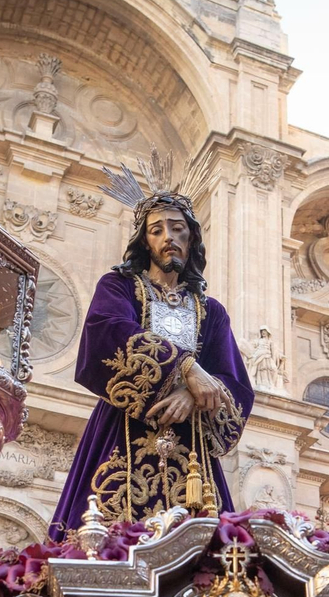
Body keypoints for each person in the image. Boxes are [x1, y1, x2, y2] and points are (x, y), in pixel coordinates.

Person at [49, 162, 253, 536]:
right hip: (123, 427)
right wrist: (187, 368)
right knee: (102, 533)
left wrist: (192, 397)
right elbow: (108, 331)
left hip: (192, 449)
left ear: (191, 239)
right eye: (157, 230)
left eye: (178, 229)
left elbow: (233, 380)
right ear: (145, 241)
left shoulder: (210, 309)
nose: (168, 237)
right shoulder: (120, 286)